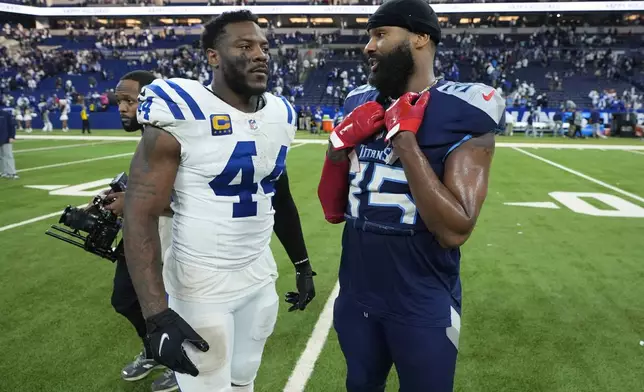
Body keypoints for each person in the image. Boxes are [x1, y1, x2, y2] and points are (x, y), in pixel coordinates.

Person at [123, 10, 316, 392]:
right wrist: (156, 315)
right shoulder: (181, 108)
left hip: (259, 274)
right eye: (245, 46)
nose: (260, 54)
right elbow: (139, 213)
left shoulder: (279, 114)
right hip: (200, 282)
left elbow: (280, 195)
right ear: (213, 56)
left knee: (245, 378)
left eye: (263, 46)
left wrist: (303, 262)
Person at [317, 0, 504, 390]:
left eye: (381, 35)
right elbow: (332, 210)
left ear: (421, 38)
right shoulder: (359, 101)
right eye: (370, 36)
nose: (369, 46)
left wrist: (404, 140)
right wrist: (336, 147)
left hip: (421, 296)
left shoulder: (463, 106)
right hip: (357, 292)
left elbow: (454, 230)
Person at [108, 70, 180, 392]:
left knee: (174, 304)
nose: (122, 108)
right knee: (124, 298)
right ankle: (154, 349)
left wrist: (133, 202)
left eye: (129, 100)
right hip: (142, 229)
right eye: (119, 101)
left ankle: (181, 366)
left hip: (172, 236)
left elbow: (186, 200)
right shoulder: (148, 136)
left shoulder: (173, 136)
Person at [0, 108, 18, 179]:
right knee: (1, 157)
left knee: (8, 155)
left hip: (6, 138)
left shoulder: (6, 114)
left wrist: (12, 136)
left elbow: (12, 126)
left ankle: (12, 173)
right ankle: (3, 172)